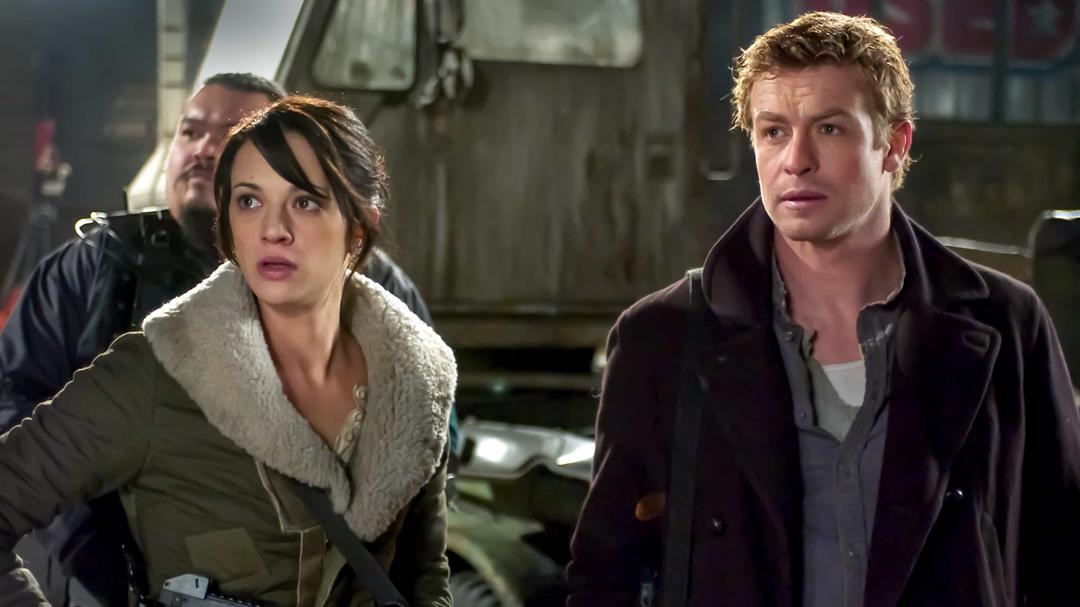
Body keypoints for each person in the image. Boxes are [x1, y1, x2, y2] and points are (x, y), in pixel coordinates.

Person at [566, 11, 1080, 607]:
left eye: (829, 128)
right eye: (773, 132)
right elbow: (605, 574)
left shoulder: (1005, 323)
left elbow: (1062, 552)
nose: (796, 160)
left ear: (894, 145)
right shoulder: (665, 336)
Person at [0, 73, 449, 605]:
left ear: (359, 226)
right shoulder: (156, 370)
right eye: (249, 201)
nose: (273, 229)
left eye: (305, 202)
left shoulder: (413, 376)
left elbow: (424, 573)